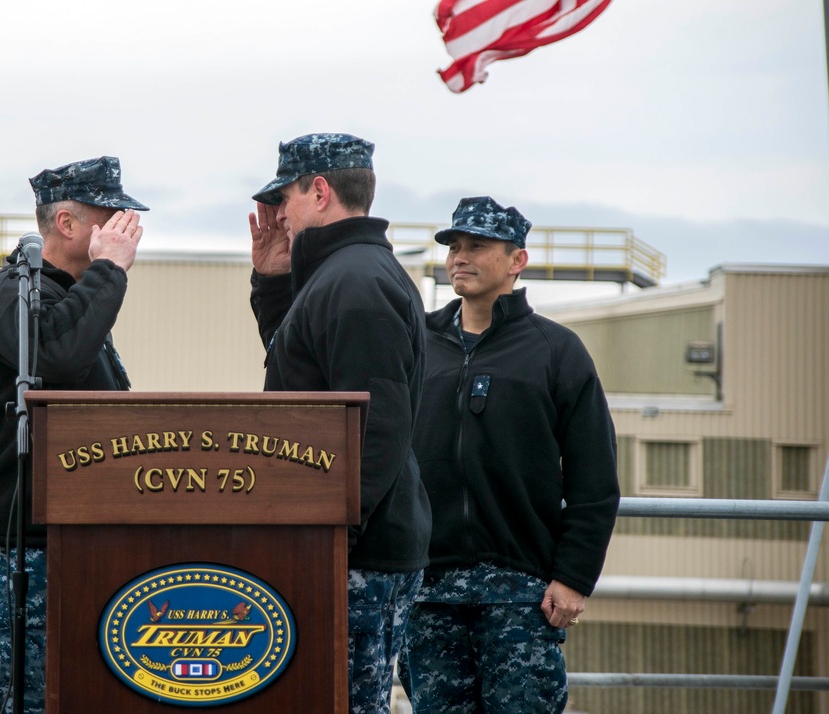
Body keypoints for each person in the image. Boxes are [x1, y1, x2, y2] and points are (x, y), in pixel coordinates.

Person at [399, 196, 620, 713]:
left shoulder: (555, 350)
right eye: (454, 246)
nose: (460, 256)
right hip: (427, 587)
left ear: (516, 260)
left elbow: (595, 479)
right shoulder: (417, 346)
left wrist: (573, 577)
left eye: (477, 246)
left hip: (521, 592)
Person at [0, 156, 148, 713]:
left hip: (72, 549)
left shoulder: (69, 298)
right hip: (9, 556)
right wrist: (111, 272)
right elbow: (55, 359)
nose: (127, 229)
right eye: (111, 218)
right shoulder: (13, 293)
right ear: (68, 224)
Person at [247, 133, 432, 714]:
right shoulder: (342, 273)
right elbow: (297, 377)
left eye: (285, 199)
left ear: (320, 192)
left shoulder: (356, 283)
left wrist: (332, 541)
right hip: (348, 546)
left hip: (355, 555)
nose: (278, 216)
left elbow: (376, 427)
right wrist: (274, 282)